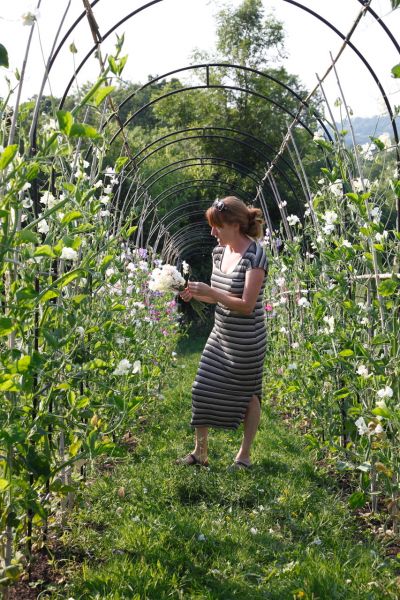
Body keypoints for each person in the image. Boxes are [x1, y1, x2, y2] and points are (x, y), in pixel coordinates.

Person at [177, 196, 268, 469]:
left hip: (246, 341)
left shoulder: (255, 255)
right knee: (201, 388)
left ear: (235, 225)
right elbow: (217, 297)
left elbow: (246, 305)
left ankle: (244, 456)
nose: (212, 232)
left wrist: (212, 292)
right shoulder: (219, 252)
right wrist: (194, 293)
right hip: (221, 334)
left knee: (249, 396)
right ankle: (200, 452)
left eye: (217, 227)